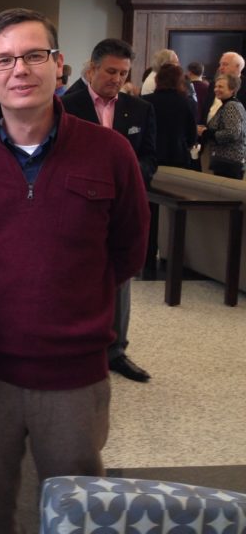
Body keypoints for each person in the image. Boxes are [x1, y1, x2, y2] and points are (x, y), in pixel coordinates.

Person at [0, 8, 149, 533]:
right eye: (5, 60)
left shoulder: (110, 151)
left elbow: (129, 251)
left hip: (74, 376)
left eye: (35, 55)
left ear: (58, 65)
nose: (21, 70)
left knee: (77, 509)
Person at [62, 38, 156, 384]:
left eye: (123, 73)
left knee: (120, 276)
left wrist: (127, 180)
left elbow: (149, 156)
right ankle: (74, 345)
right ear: (92, 68)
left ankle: (116, 351)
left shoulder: (140, 110)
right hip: (78, 206)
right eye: (111, 71)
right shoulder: (67, 107)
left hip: (122, 206)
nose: (117, 78)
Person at [143, 64, 197, 169]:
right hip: (178, 155)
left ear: (157, 79)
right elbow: (192, 134)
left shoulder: (145, 101)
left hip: (150, 155)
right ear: (180, 81)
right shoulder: (188, 102)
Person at [200, 74, 246, 180]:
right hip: (227, 161)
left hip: (228, 162)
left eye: (220, 87)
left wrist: (206, 132)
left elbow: (232, 133)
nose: (216, 89)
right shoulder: (228, 105)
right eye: (216, 86)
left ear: (232, 90)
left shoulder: (231, 106)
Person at [201, 51, 245, 118]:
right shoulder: (214, 84)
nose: (220, 68)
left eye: (225, 64)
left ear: (238, 67)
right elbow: (206, 108)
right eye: (220, 64)